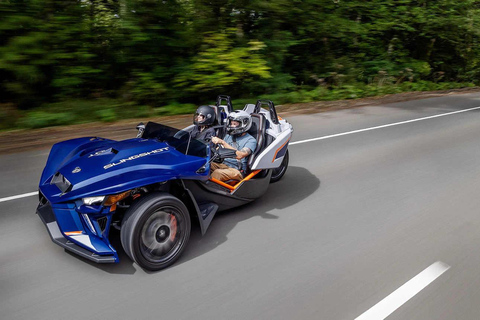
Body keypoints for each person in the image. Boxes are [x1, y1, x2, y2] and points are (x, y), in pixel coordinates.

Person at [210, 110, 256, 181]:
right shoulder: (229, 136)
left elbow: (240, 155)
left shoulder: (251, 140)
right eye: (231, 123)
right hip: (223, 165)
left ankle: (208, 190)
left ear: (244, 124)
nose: (232, 126)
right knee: (203, 164)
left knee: (217, 173)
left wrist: (223, 142)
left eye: (235, 124)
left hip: (237, 169)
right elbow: (220, 149)